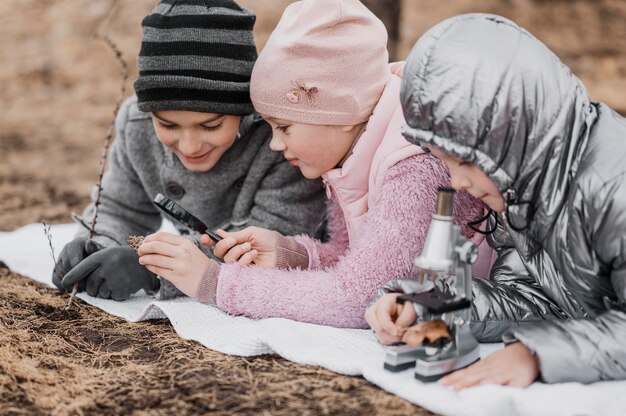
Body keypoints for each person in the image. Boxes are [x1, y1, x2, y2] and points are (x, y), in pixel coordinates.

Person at [137, 0, 488, 327]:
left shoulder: (414, 165)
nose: (275, 144)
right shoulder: (351, 151)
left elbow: (361, 297)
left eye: (284, 126)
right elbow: (356, 259)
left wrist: (214, 283)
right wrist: (291, 254)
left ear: (341, 112)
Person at [366, 13, 626, 388]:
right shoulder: (519, 190)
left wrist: (537, 353)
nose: (457, 181)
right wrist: (426, 305)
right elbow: (530, 298)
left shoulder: (612, 189)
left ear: (516, 130)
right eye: (446, 161)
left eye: (468, 160)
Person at [52, 0, 326, 300]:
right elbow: (121, 208)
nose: (190, 146)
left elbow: (268, 246)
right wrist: (95, 243)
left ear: (244, 108)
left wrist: (155, 269)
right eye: (168, 126)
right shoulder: (137, 126)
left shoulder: (278, 141)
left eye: (210, 126)